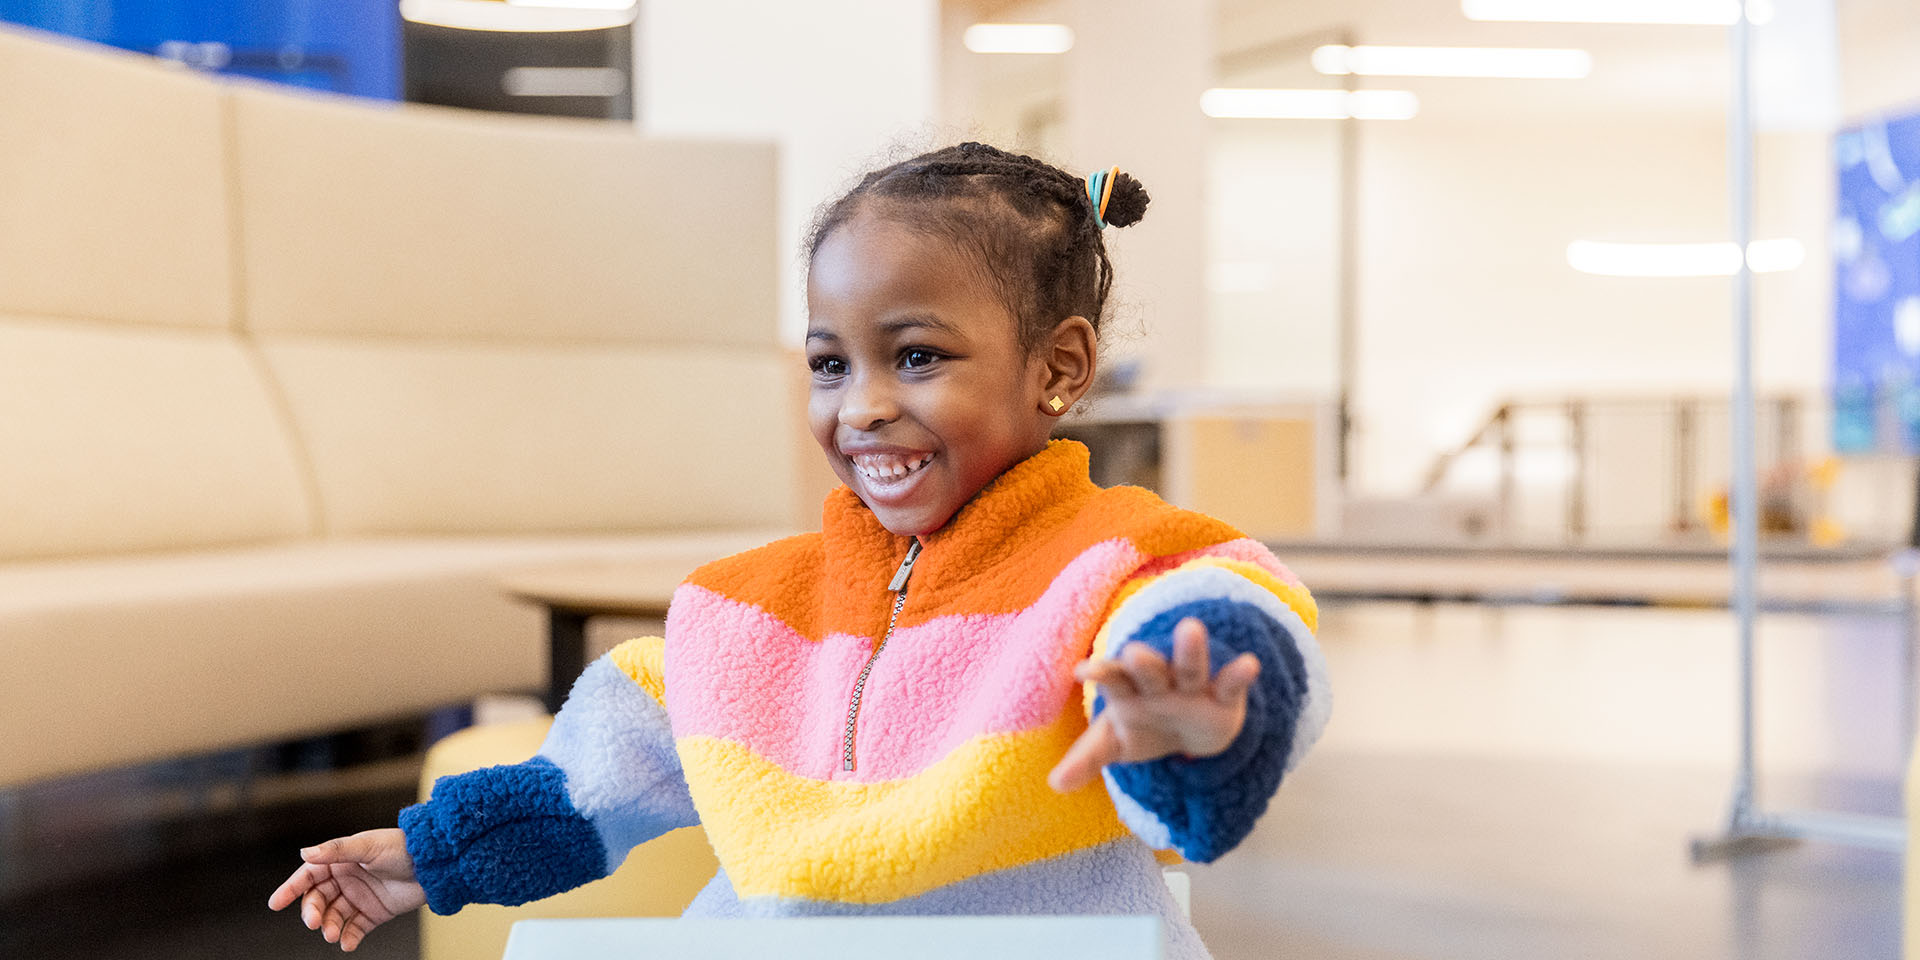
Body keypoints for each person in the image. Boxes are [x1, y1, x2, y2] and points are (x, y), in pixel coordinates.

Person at [268, 141, 1330, 959]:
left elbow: (1231, 626)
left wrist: (1203, 717)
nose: (862, 407)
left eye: (916, 357)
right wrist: (429, 855)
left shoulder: (1121, 563)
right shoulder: (749, 607)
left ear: (1059, 365)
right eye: (830, 364)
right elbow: (595, 778)